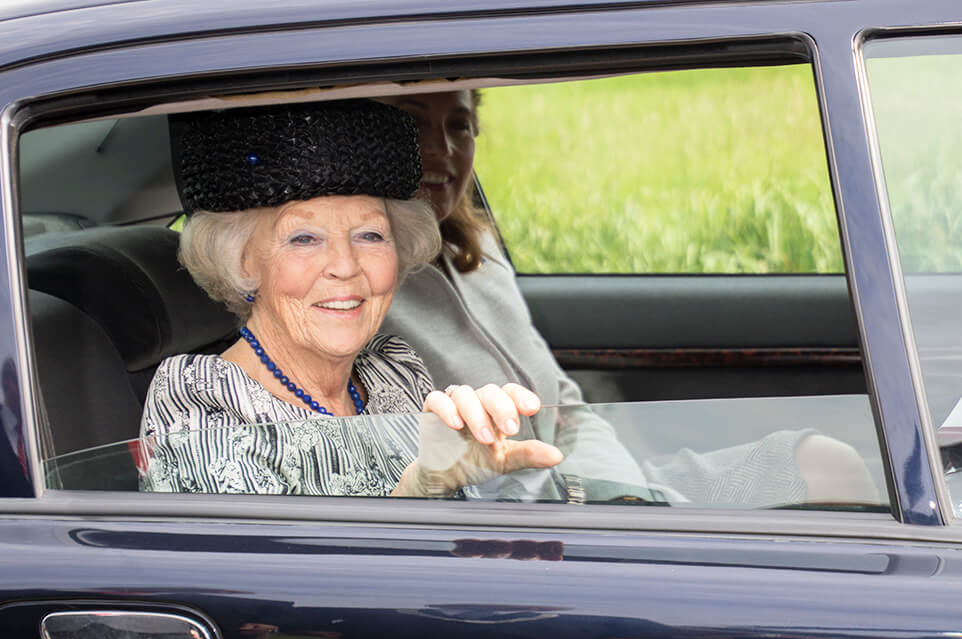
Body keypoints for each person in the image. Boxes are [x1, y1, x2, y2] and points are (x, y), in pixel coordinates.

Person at [378, 90, 878, 507]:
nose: (442, 149)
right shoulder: (359, 289)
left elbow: (566, 406)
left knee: (827, 461)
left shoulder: (477, 246)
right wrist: (617, 508)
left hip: (604, 486)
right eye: (415, 124)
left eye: (460, 126)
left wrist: (626, 494)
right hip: (534, 519)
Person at [139, 99, 562, 497]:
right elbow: (270, 572)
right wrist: (418, 491)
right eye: (304, 238)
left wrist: (482, 482)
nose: (345, 265)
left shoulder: (393, 370)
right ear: (243, 261)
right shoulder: (200, 403)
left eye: (370, 235)